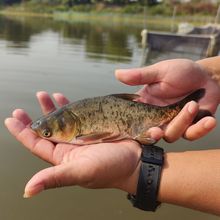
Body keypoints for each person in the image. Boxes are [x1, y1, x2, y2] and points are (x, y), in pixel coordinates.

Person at [4, 56, 220, 215]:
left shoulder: (81, 132)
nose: (46, 136)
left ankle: (182, 109)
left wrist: (136, 170)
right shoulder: (71, 116)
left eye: (48, 133)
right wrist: (210, 74)